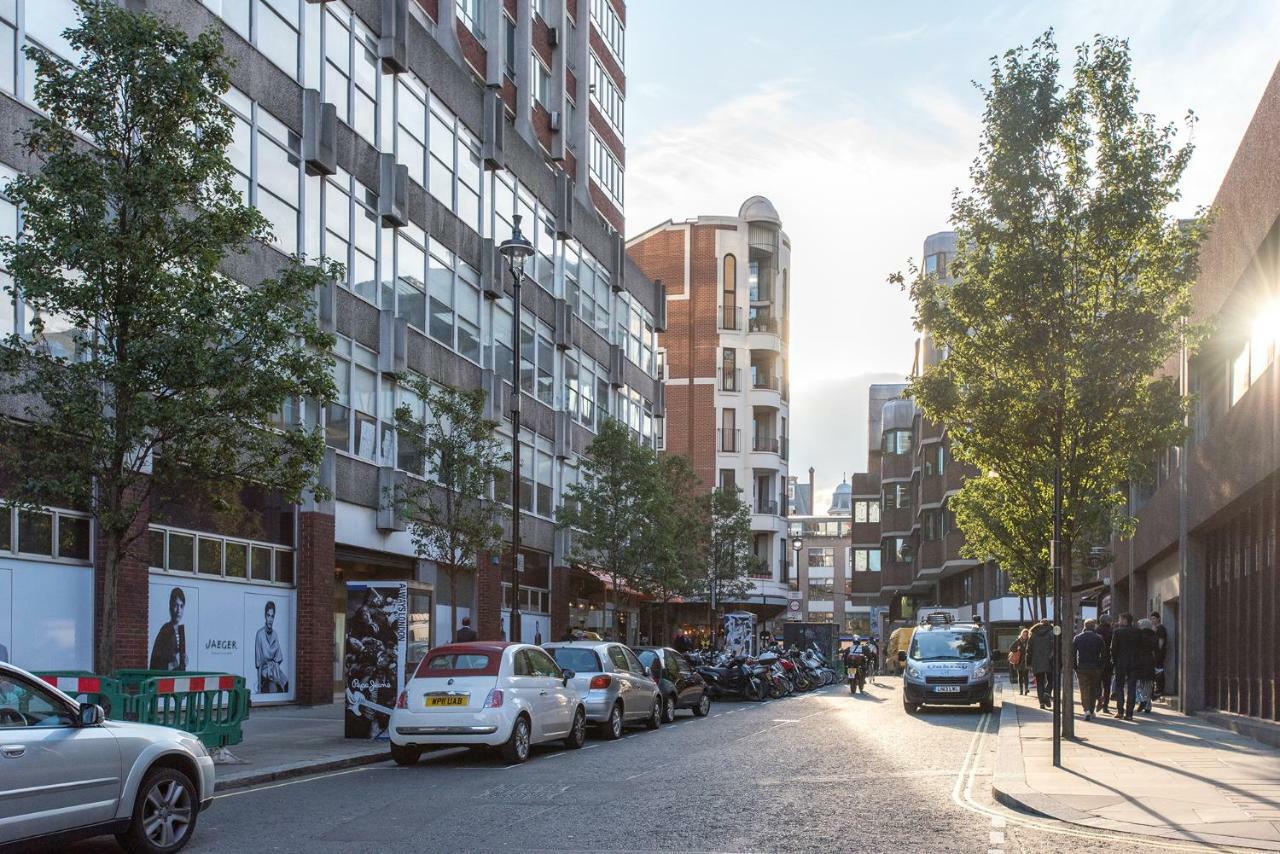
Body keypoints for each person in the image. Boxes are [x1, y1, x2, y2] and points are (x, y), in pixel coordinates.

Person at [1110, 613, 1141, 720]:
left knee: (1119, 687)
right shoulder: (1137, 632)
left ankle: (1120, 711)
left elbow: (1113, 648)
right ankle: (1129, 714)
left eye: (1120, 619)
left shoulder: (1118, 632)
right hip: (1134, 663)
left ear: (1124, 620)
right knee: (1132, 688)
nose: (1119, 622)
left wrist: (1114, 661)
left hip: (1121, 663)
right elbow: (1140, 648)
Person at [149, 587, 188, 671]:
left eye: (181, 606)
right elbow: (156, 661)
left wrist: (183, 661)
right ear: (170, 606)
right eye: (175, 605)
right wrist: (172, 664)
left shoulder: (180, 631)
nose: (178, 610)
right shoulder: (166, 631)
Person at [1073, 619, 1104, 721]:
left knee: (1084, 689)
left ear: (1085, 626)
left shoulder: (1078, 638)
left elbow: (1073, 653)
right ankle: (1091, 709)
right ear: (1094, 626)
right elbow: (1104, 654)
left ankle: (1086, 710)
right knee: (1093, 688)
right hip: (1095, 667)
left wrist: (1075, 666)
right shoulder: (1099, 638)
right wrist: (1101, 665)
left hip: (1082, 666)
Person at [254, 600, 288, 693]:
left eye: (272, 616)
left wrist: (275, 668)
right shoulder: (259, 634)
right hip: (265, 674)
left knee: (286, 684)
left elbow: (279, 657)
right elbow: (258, 663)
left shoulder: (275, 635)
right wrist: (259, 688)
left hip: (275, 671)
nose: (270, 619)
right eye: (268, 615)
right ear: (265, 616)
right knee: (274, 688)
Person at [1028, 619, 1055, 710]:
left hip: (1036, 662)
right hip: (1049, 661)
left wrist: (1028, 663)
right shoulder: (1052, 633)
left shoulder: (1033, 635)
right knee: (1052, 680)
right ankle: (1047, 693)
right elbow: (1056, 647)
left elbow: (1029, 651)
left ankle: (1042, 703)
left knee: (1039, 683)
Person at [1136, 617, 1158, 713]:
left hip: (1140, 660)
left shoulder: (1139, 635)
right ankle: (1148, 705)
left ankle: (1142, 699)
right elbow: (1156, 649)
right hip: (1150, 660)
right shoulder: (1154, 636)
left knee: (1139, 683)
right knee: (1149, 684)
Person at [1097, 615, 1115, 714]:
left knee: (1097, 683)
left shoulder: (1096, 631)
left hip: (1098, 661)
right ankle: (1105, 705)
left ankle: (1099, 699)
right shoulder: (1112, 632)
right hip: (1108, 661)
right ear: (1108, 621)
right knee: (1107, 684)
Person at [1008, 627, 1031, 696]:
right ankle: (1021, 690)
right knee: (1020, 676)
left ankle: (1026, 689)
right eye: (1023, 634)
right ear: (1021, 634)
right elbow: (1011, 648)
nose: (1025, 636)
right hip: (1019, 661)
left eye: (1026, 635)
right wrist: (1017, 650)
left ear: (1028, 635)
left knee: (1026, 676)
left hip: (1026, 661)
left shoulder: (1029, 641)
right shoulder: (1018, 641)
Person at [1151, 612, 1168, 699]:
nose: (1152, 620)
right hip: (1154, 653)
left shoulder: (1161, 628)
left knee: (1159, 671)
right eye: (1152, 619)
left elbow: (1161, 642)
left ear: (1158, 619)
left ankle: (1159, 690)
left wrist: (1158, 652)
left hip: (1158, 654)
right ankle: (1156, 690)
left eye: (1154, 618)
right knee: (1156, 671)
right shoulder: (1154, 629)